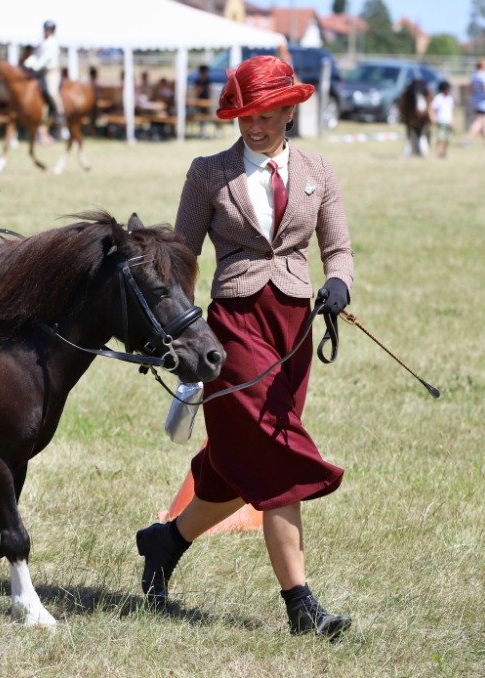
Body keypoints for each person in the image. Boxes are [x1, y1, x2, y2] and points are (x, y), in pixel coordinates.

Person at [135, 55, 355, 639]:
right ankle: (301, 605)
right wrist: (171, 328)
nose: (253, 127)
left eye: (263, 116)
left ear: (289, 108)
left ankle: (166, 541)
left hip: (294, 328)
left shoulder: (319, 170)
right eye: (242, 117)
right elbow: (183, 253)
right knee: (278, 456)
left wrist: (337, 284)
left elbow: (337, 250)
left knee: (236, 468)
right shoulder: (209, 172)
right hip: (232, 326)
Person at [23, 19, 67, 140]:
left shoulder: (53, 43)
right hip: (41, 73)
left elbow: (46, 58)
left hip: (52, 72)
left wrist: (35, 66)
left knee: (52, 92)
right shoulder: (43, 42)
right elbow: (36, 55)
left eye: (48, 29)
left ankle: (60, 113)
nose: (45, 31)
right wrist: (27, 63)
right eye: (45, 29)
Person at [464, 58, 485, 149]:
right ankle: (468, 140)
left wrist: (475, 95)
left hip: (476, 101)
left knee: (483, 124)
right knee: (479, 122)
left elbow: (469, 88)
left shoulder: (474, 75)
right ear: (483, 65)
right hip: (483, 102)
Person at [430, 80, 454, 159]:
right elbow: (431, 108)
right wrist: (433, 118)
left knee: (448, 139)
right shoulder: (438, 98)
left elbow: (451, 111)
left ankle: (444, 153)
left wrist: (452, 120)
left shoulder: (450, 98)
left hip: (448, 122)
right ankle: (438, 153)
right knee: (440, 138)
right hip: (441, 122)